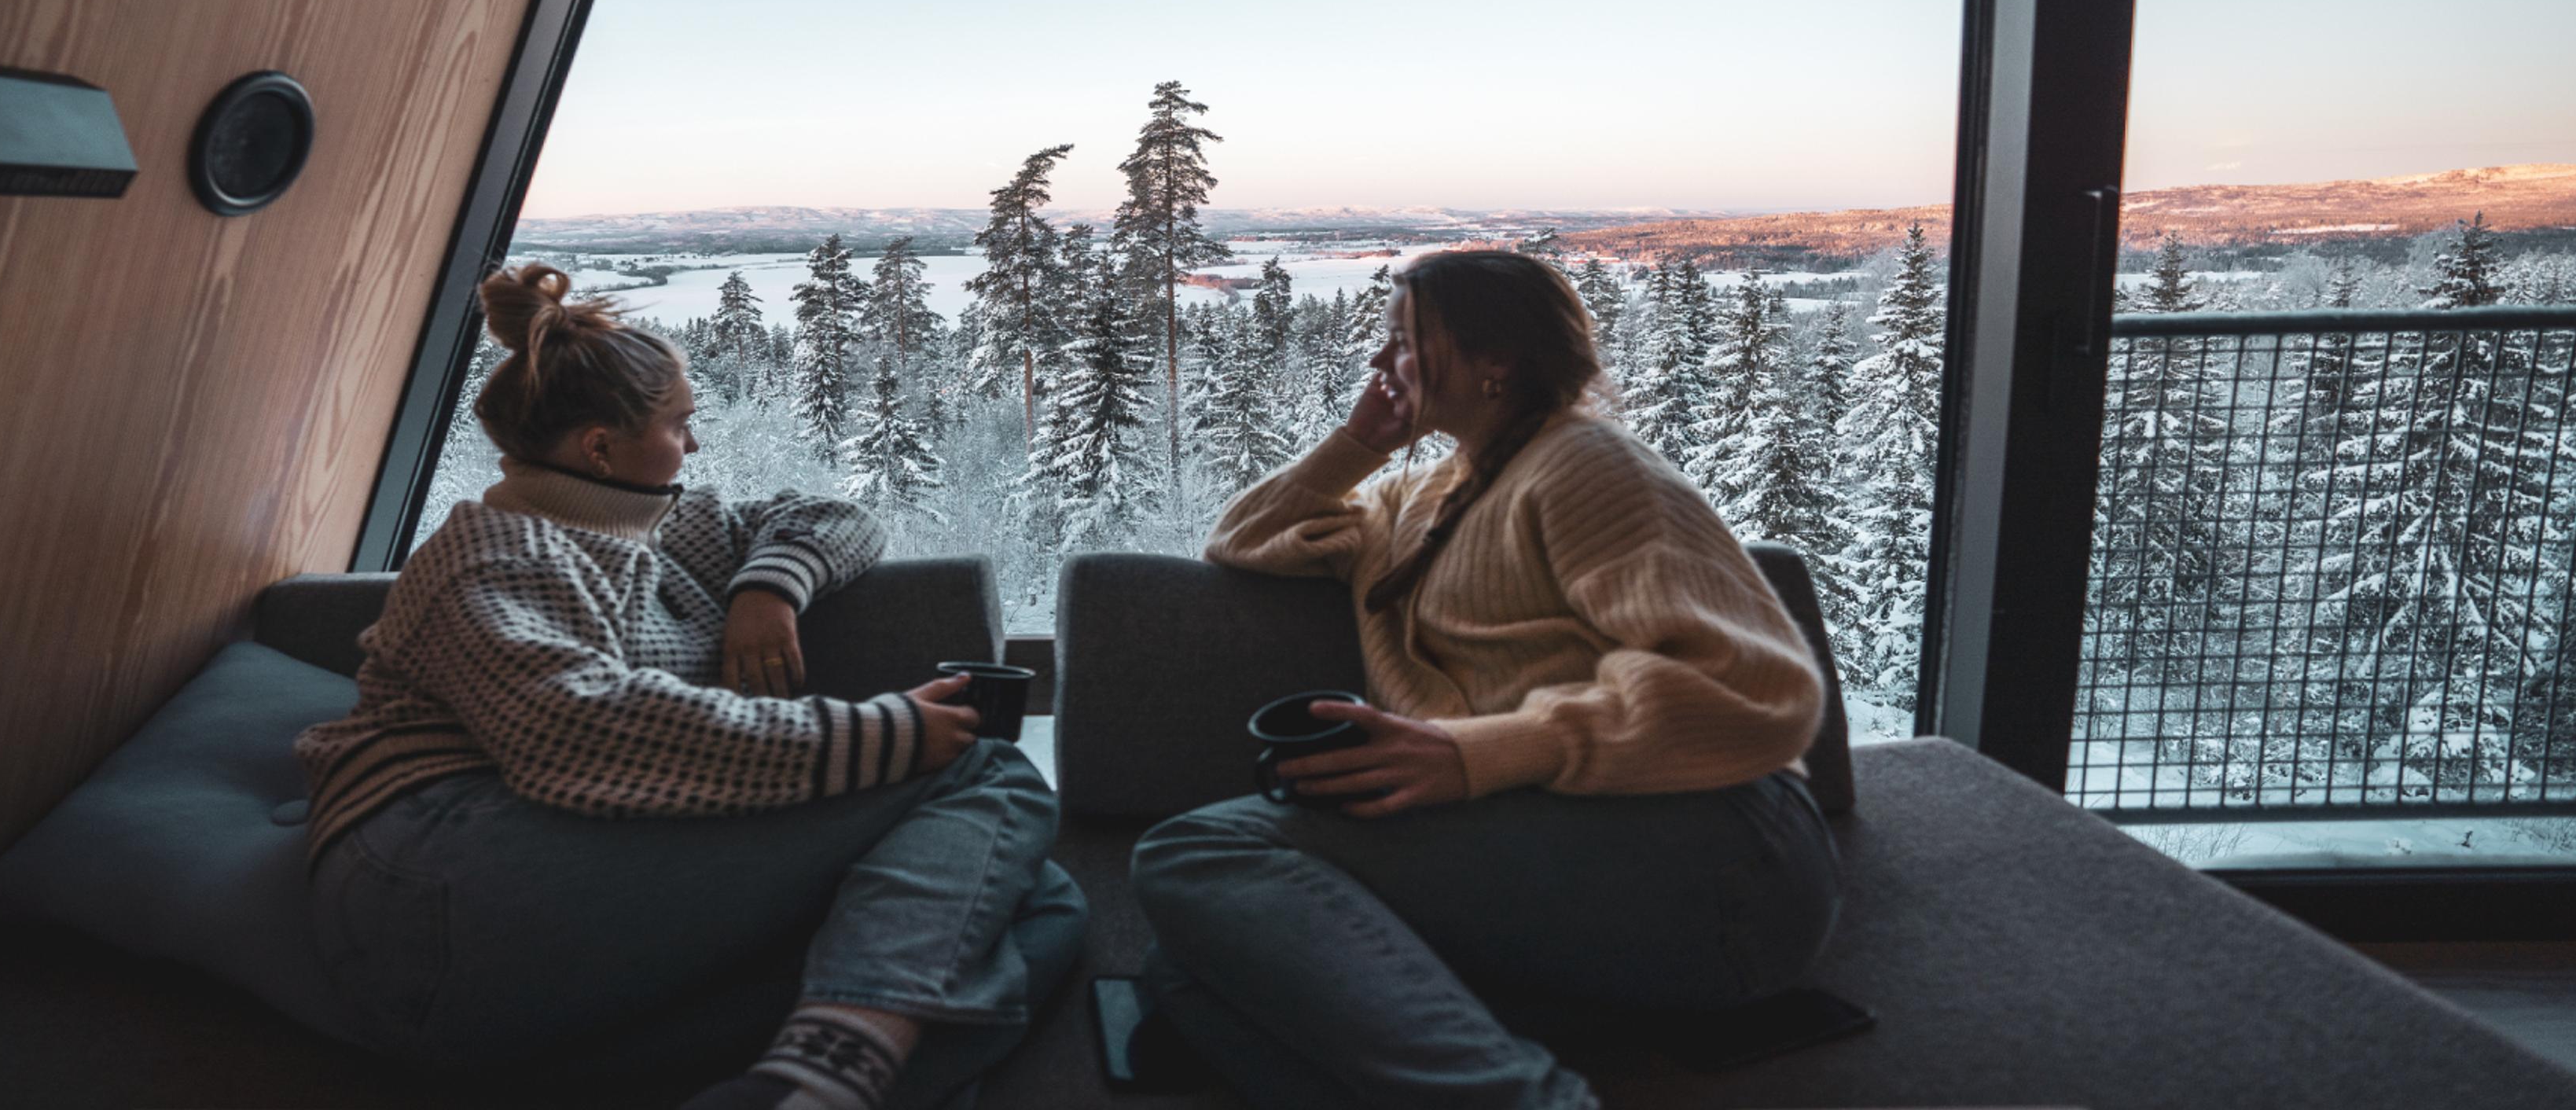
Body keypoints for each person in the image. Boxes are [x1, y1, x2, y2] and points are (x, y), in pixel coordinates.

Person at [296, 264, 1082, 1110]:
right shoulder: (493, 557)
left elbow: (839, 517)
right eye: (680, 425)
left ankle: (796, 1082)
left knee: (1043, 907)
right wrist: (885, 735)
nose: (695, 446)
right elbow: (577, 734)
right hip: (436, 882)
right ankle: (836, 1072)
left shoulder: (672, 530)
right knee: (982, 776)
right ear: (600, 446)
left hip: (567, 879)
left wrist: (767, 589)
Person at [1130, 249, 1836, 1109]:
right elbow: (1240, 539)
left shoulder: (1587, 468)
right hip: (1555, 846)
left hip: (1721, 849)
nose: (1379, 363)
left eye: (1403, 342)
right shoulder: (1418, 497)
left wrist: (1476, 755)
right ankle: (1518, 1043)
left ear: (1495, 360)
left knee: (1197, 853)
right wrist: (1356, 444)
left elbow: (1751, 690)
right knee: (1191, 977)